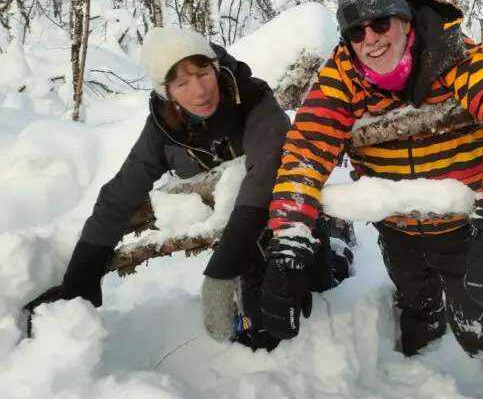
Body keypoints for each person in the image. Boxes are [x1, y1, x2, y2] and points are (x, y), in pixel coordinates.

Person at [258, 0, 483, 392]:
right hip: (397, 226)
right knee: (416, 312)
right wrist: (288, 242)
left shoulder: (448, 54)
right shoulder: (343, 74)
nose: (370, 39)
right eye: (356, 31)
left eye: (380, 23)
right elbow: (306, 149)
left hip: (461, 225)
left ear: (402, 19)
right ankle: (422, 354)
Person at [25, 26, 352, 349]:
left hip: (283, 212)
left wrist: (221, 272)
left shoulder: (253, 101)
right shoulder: (163, 129)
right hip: (233, 226)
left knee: (319, 286)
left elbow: (264, 177)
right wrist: (81, 276)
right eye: (182, 83)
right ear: (166, 91)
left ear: (215, 66)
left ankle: (336, 243)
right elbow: (119, 196)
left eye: (203, 73)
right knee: (261, 330)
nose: (199, 91)